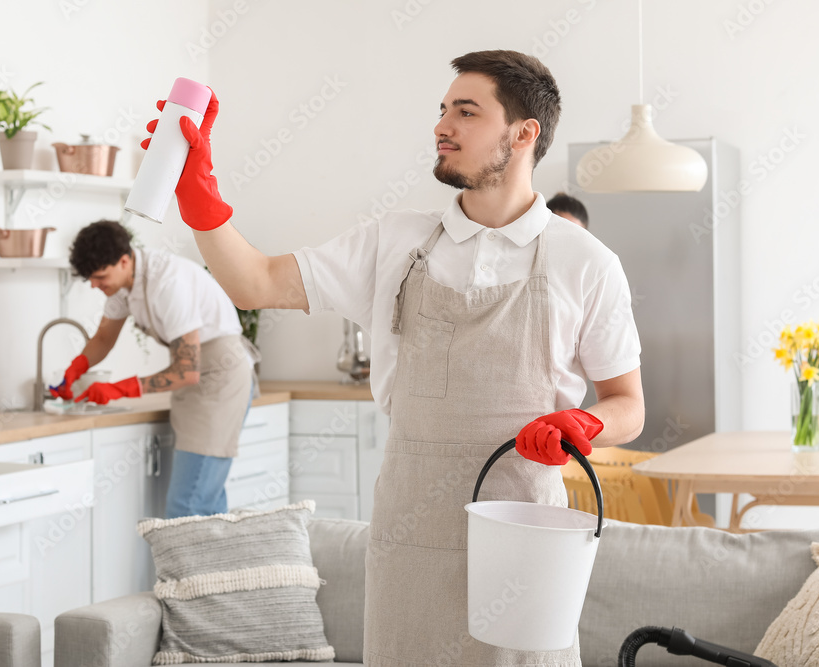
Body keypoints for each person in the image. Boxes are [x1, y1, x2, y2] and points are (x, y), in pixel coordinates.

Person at [142, 49, 644, 666]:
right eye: (442, 110)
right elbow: (257, 283)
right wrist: (198, 189)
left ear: (523, 133)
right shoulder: (396, 241)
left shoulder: (585, 261)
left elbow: (628, 405)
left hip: (524, 542)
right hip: (410, 537)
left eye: (466, 111)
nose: (442, 126)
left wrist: (584, 424)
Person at [52, 220, 260, 519]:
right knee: (207, 503)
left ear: (124, 260)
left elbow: (186, 369)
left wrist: (117, 389)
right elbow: (102, 339)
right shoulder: (123, 285)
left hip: (220, 379)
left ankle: (188, 568)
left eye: (99, 277)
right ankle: (219, 566)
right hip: (198, 380)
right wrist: (75, 369)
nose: (94, 285)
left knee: (187, 507)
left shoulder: (167, 283)